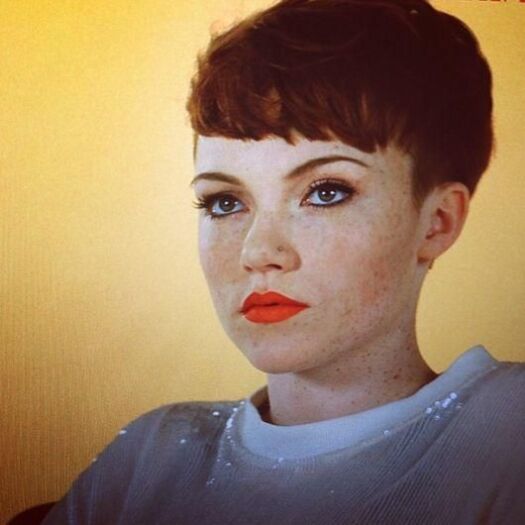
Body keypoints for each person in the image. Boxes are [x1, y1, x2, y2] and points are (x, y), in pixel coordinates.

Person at [42, 0, 525, 523]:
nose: (256, 252)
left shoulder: (509, 431)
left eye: (326, 192)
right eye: (225, 202)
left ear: (437, 222)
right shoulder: (147, 458)